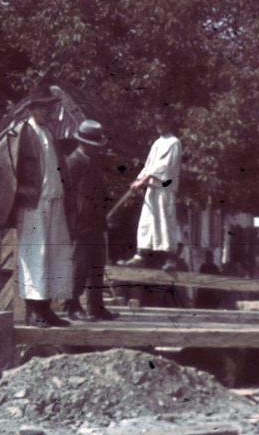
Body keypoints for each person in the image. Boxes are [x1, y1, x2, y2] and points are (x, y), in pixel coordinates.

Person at [12, 97, 73, 328]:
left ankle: (47, 310)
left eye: (50, 108)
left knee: (54, 256)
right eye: (43, 107)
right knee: (34, 254)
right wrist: (18, 188)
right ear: (32, 108)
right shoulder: (21, 132)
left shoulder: (48, 133)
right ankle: (33, 312)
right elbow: (4, 164)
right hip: (33, 205)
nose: (48, 111)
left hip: (55, 201)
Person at [62, 120, 116, 322]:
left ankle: (96, 306)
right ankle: (72, 305)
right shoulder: (72, 162)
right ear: (84, 143)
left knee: (97, 265)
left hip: (96, 222)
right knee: (78, 266)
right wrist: (72, 223)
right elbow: (67, 195)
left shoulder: (93, 161)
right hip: (80, 225)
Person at [119, 113, 181, 269]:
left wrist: (144, 180)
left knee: (164, 220)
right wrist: (139, 179)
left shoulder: (174, 142)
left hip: (164, 187)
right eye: (157, 124)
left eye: (163, 123)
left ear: (169, 124)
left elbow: (164, 166)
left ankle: (170, 258)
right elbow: (148, 165)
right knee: (147, 220)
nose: (159, 126)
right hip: (152, 187)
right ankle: (141, 254)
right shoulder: (157, 143)